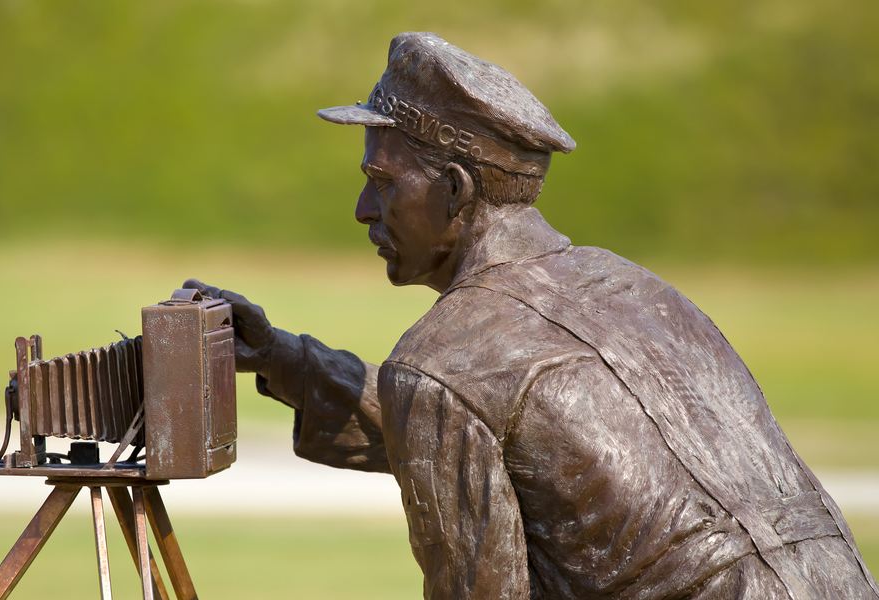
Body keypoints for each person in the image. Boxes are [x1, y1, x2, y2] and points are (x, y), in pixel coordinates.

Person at [186, 32, 879, 599]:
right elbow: (496, 428)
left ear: (455, 191)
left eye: (383, 185)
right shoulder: (634, 289)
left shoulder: (444, 363)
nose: (364, 212)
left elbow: (453, 421)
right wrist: (285, 360)